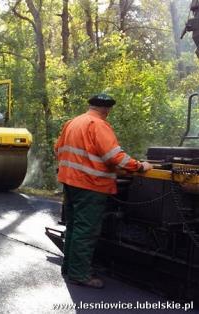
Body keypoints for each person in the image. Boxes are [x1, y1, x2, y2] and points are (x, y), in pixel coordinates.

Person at [54, 93, 152, 289]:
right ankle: (80, 274)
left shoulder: (73, 122)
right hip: (90, 185)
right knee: (86, 230)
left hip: (70, 182)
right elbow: (114, 156)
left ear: (91, 106)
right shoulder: (99, 125)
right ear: (106, 109)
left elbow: (58, 149)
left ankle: (69, 268)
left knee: (74, 226)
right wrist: (139, 166)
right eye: (109, 110)